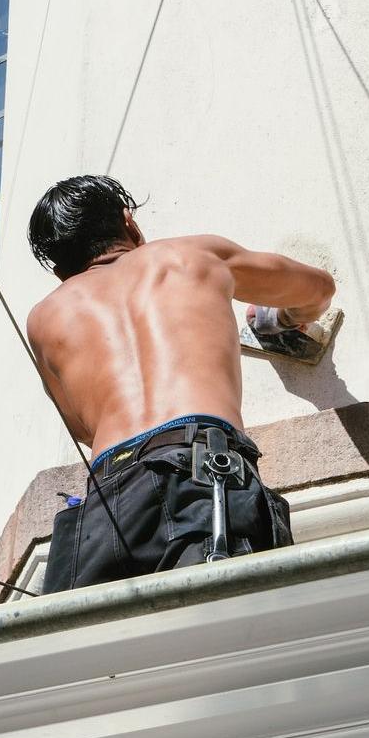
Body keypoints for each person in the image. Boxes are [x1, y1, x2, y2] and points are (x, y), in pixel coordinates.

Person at [25, 175, 336, 593]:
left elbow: (84, 428)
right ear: (129, 223)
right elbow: (318, 288)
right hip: (197, 474)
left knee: (88, 648)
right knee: (228, 626)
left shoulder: (44, 318)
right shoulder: (191, 256)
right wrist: (278, 319)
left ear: (60, 269)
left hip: (107, 505)